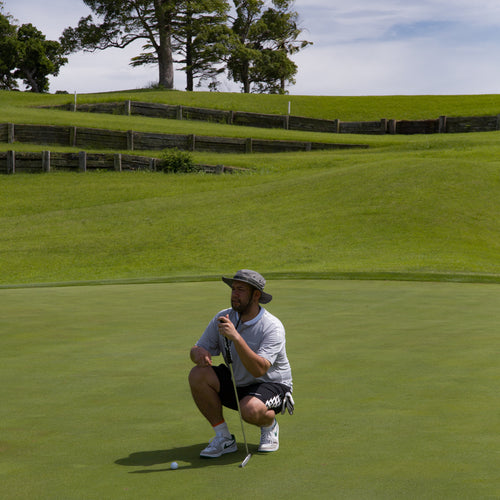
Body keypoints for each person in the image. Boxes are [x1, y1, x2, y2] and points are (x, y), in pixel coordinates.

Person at [189, 269, 294, 458]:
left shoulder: (272, 327)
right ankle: (224, 438)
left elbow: (259, 369)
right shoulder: (223, 317)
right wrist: (198, 353)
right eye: (233, 289)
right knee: (197, 374)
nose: (234, 294)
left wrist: (236, 337)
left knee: (250, 409)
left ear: (256, 295)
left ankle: (269, 425)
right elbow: (196, 349)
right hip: (239, 383)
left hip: (272, 385)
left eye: (241, 290)